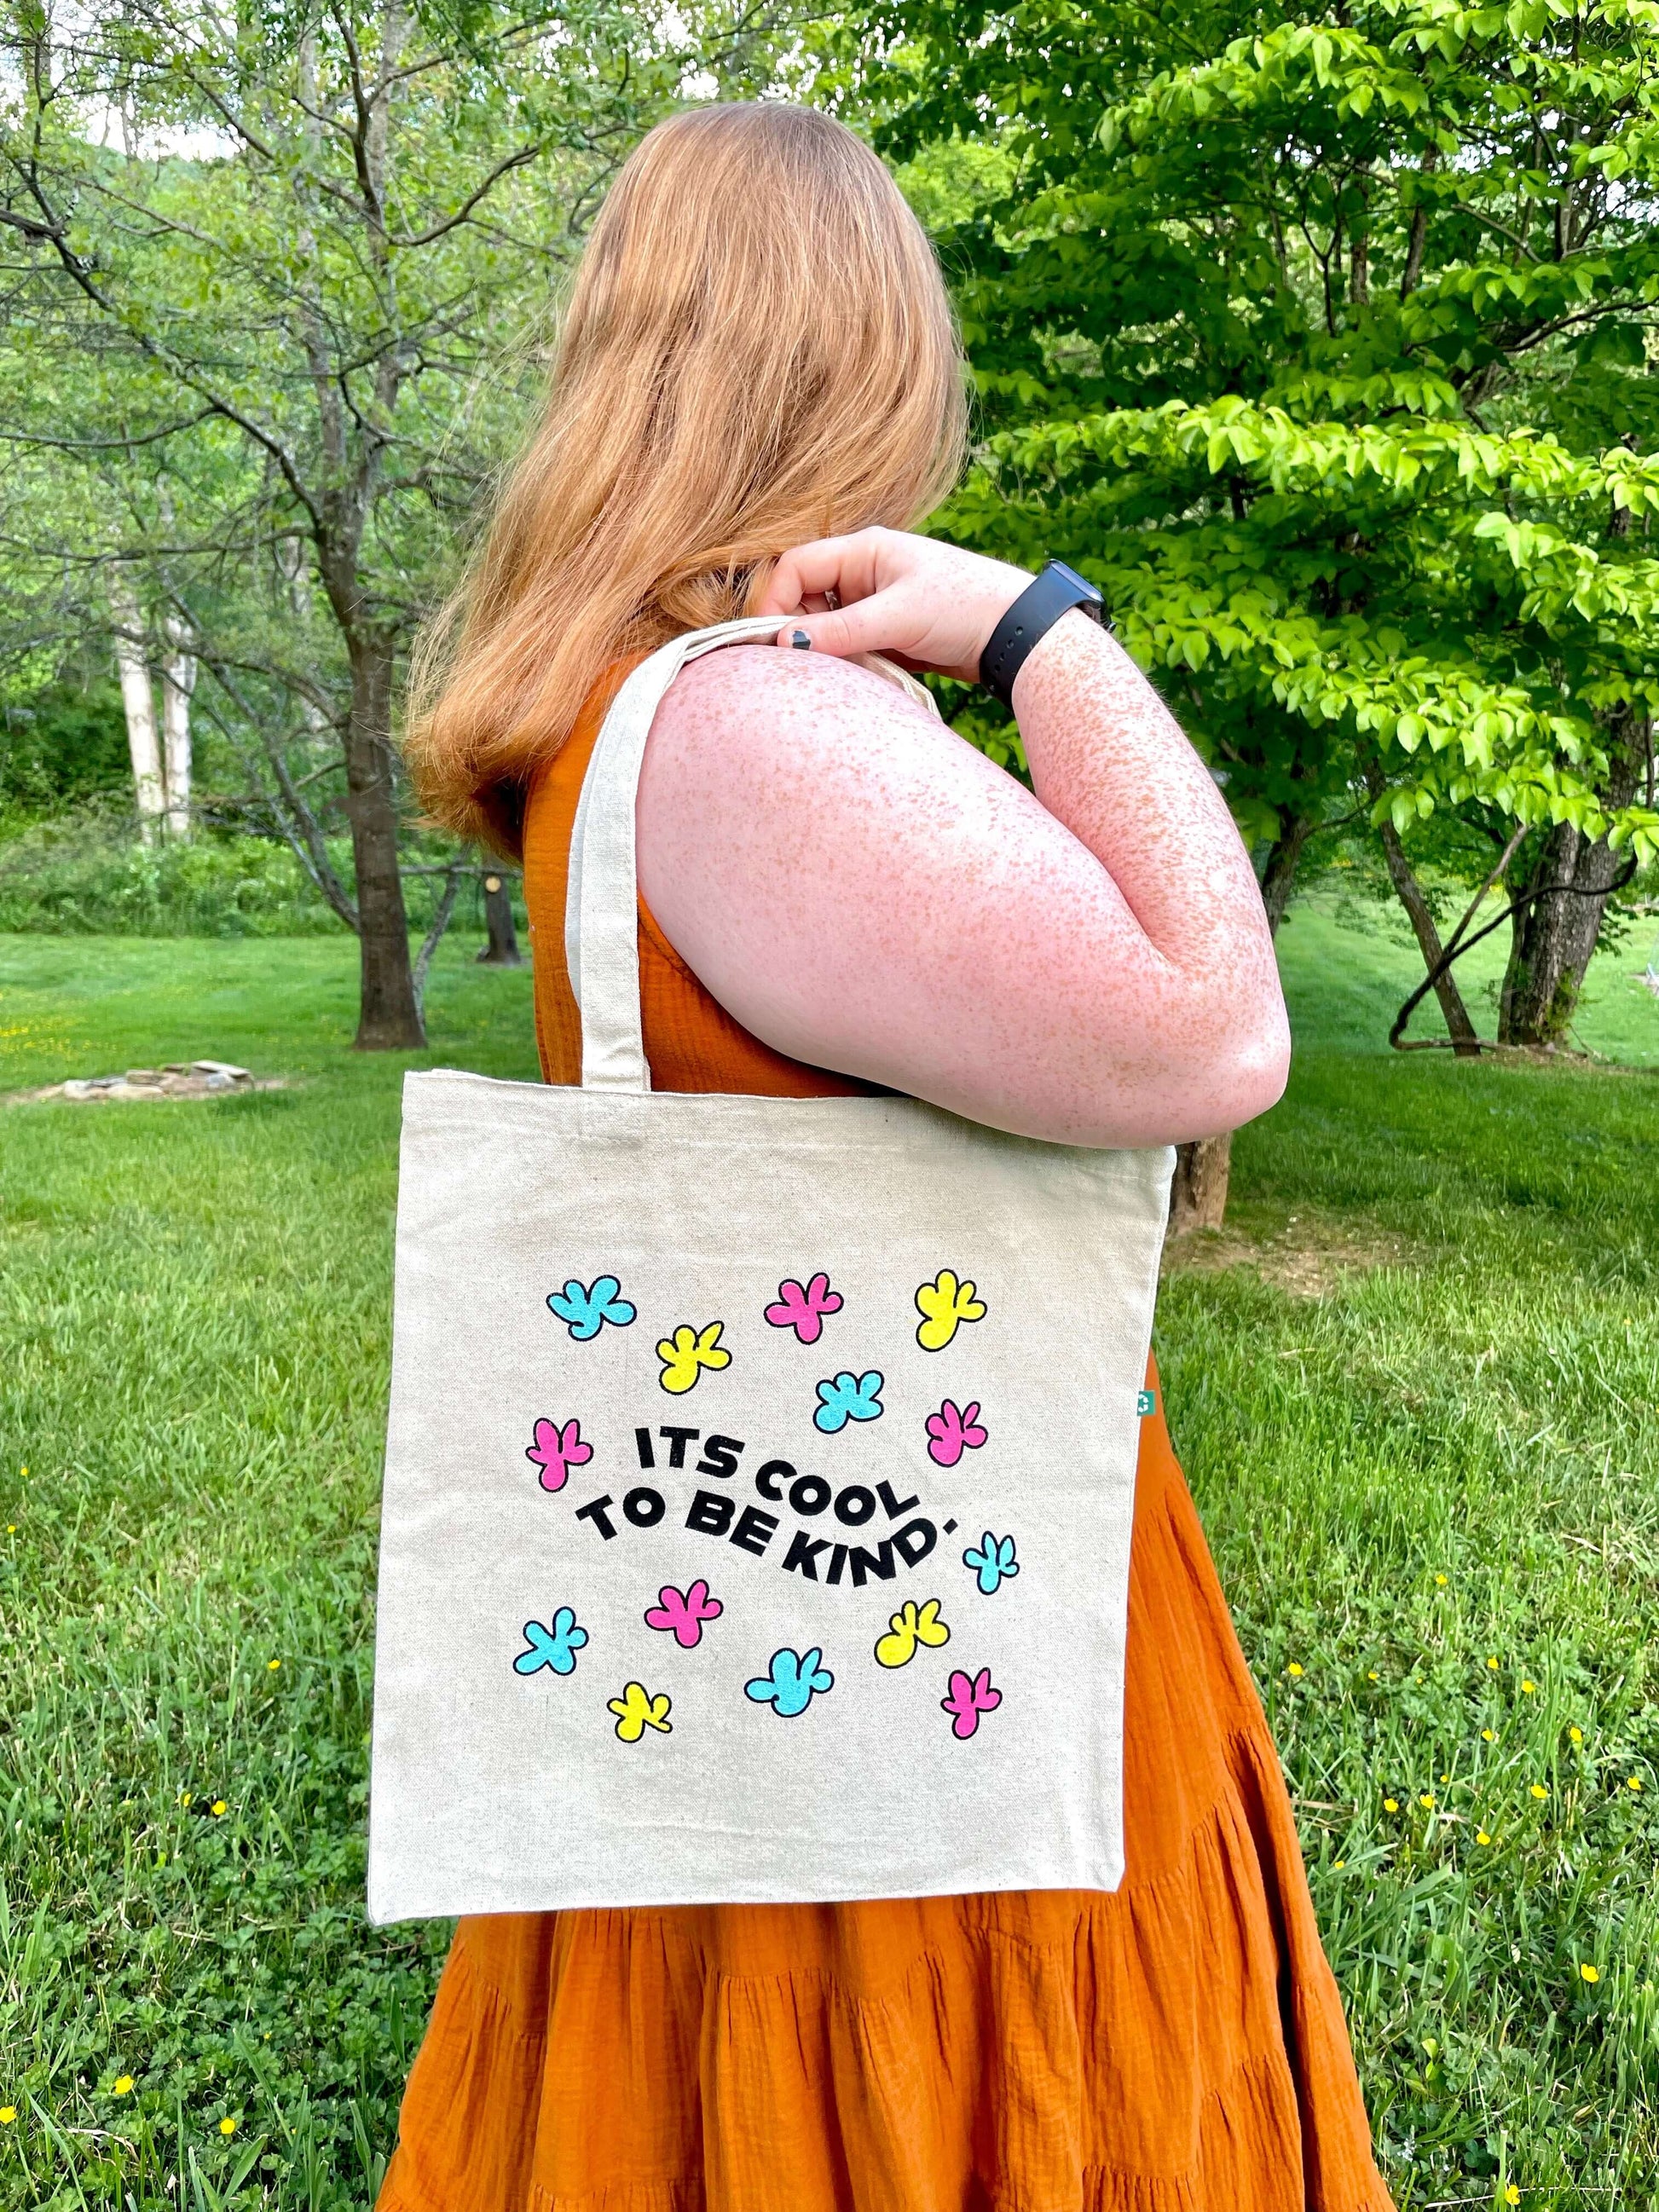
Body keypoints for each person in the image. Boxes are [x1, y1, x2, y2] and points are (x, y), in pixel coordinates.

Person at [390, 99, 1392, 2212]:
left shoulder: (614, 718)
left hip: (738, 1619)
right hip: (933, 1641)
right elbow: (1217, 1029)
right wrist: (1039, 632)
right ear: (870, 362)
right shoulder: (765, 723)